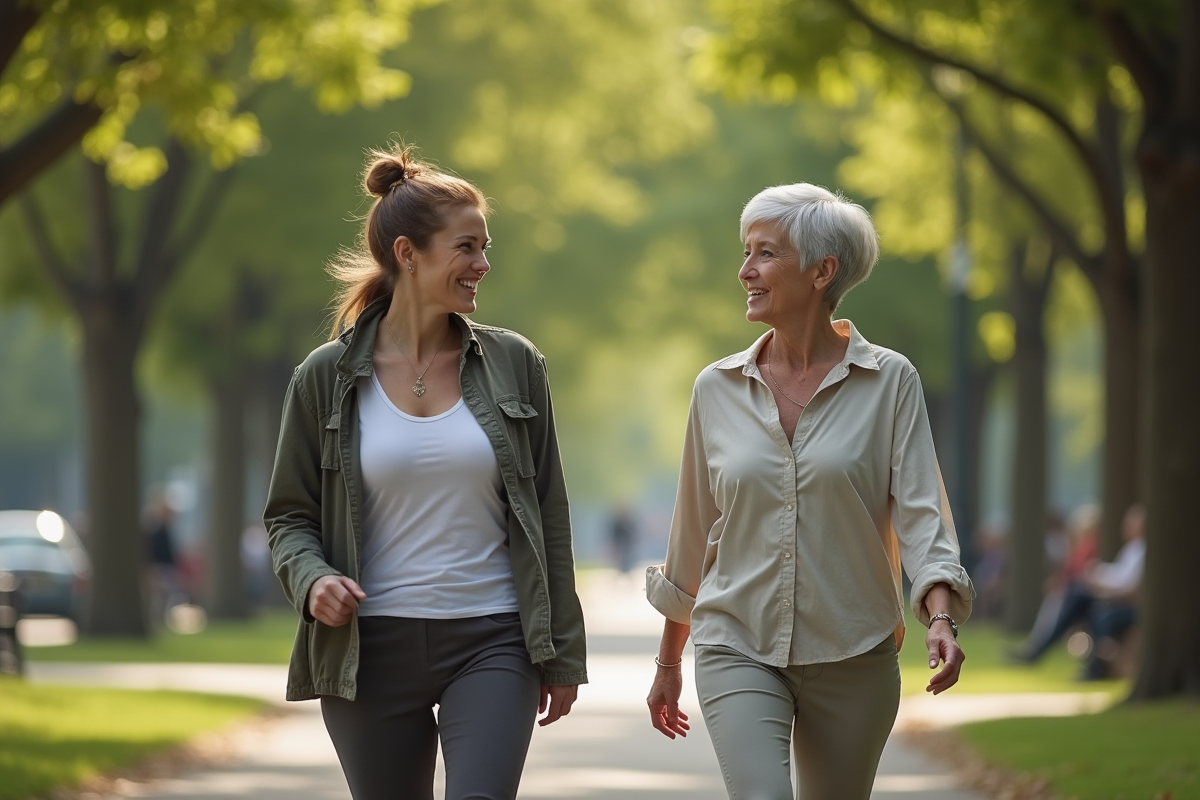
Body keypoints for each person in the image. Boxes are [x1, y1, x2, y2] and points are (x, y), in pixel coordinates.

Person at [264, 144, 587, 800]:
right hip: (368, 649)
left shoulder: (515, 364)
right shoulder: (324, 378)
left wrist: (561, 651)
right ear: (409, 253)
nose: (482, 264)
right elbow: (288, 517)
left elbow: (549, 509)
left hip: (494, 639)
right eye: (466, 248)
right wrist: (313, 578)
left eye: (485, 246)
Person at [644, 183, 974, 799]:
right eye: (746, 253)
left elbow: (923, 516)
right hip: (737, 641)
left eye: (765, 254)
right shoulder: (715, 389)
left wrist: (939, 617)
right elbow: (691, 532)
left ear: (823, 271)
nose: (745, 271)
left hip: (853, 650)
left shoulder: (889, 381)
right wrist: (668, 664)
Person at [1010, 503, 1144, 679]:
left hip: (1124, 603)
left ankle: (1042, 653)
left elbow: (1129, 587)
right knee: (1075, 597)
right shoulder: (1131, 549)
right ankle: (1040, 651)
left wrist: (1099, 581)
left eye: (1131, 523)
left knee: (1079, 599)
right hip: (1112, 596)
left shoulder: (1142, 550)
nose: (1126, 526)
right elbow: (1118, 575)